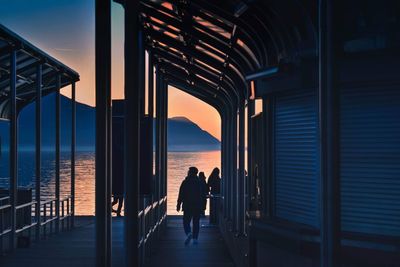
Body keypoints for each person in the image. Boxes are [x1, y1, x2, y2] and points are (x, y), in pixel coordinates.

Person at [177, 167, 205, 245]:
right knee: (196, 222)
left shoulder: (185, 182)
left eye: (188, 171)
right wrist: (203, 207)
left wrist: (178, 204)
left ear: (190, 173)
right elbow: (202, 195)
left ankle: (189, 233)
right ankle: (195, 239)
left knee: (186, 221)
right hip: (197, 206)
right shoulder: (199, 182)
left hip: (187, 205)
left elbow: (181, 194)